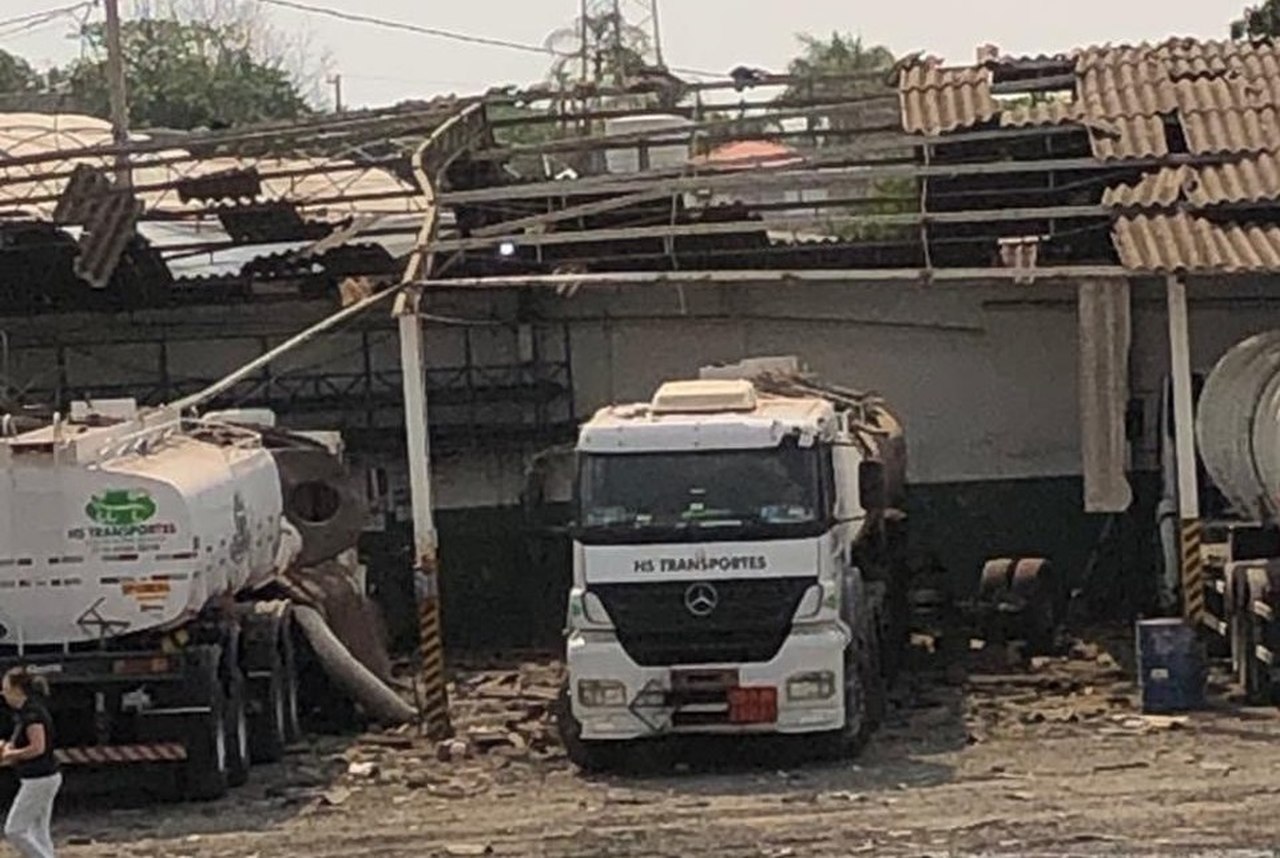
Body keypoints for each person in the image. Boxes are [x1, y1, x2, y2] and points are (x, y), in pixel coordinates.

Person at [1, 666, 60, 858]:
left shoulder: (32, 714)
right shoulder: (24, 712)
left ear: (17, 690)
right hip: (42, 777)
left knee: (14, 830)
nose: (3, 693)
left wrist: (10, 756)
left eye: (6, 688)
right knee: (39, 832)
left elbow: (37, 748)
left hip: (39, 778)